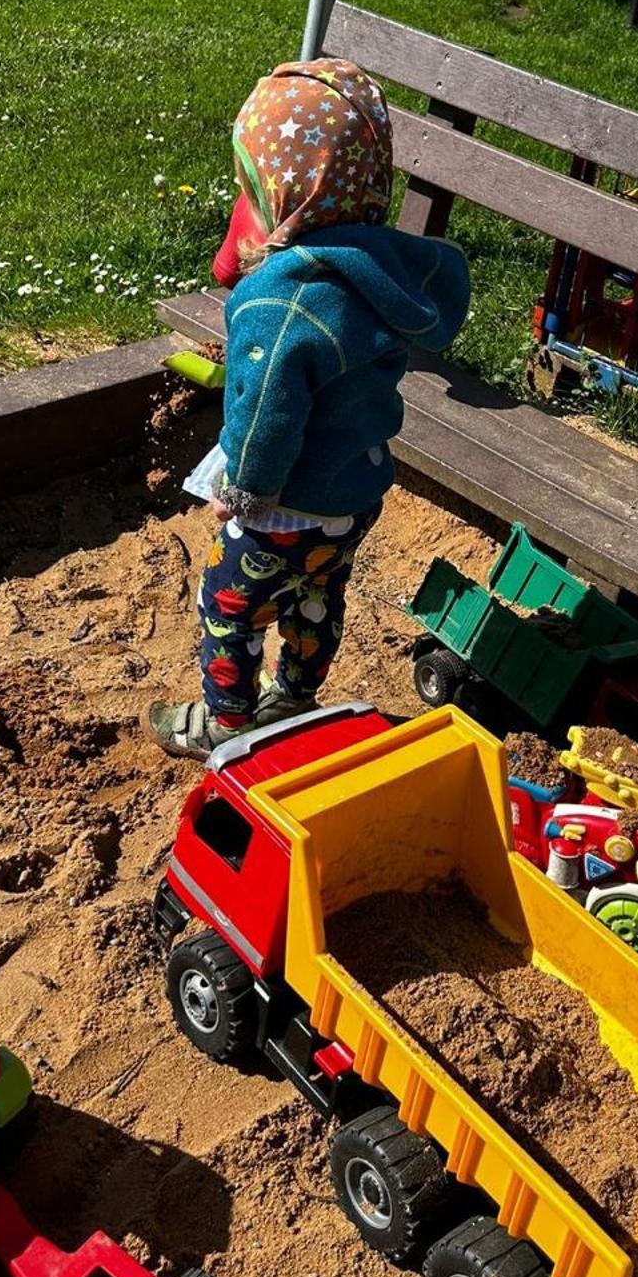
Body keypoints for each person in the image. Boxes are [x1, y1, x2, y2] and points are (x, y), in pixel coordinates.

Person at [149, 59, 470, 759]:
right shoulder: (374, 274)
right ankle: (295, 693)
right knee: (315, 598)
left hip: (283, 507)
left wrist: (243, 490)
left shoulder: (279, 303)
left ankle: (228, 720)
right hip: (354, 493)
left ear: (284, 189)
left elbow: (266, 417)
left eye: (251, 184)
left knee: (228, 609)